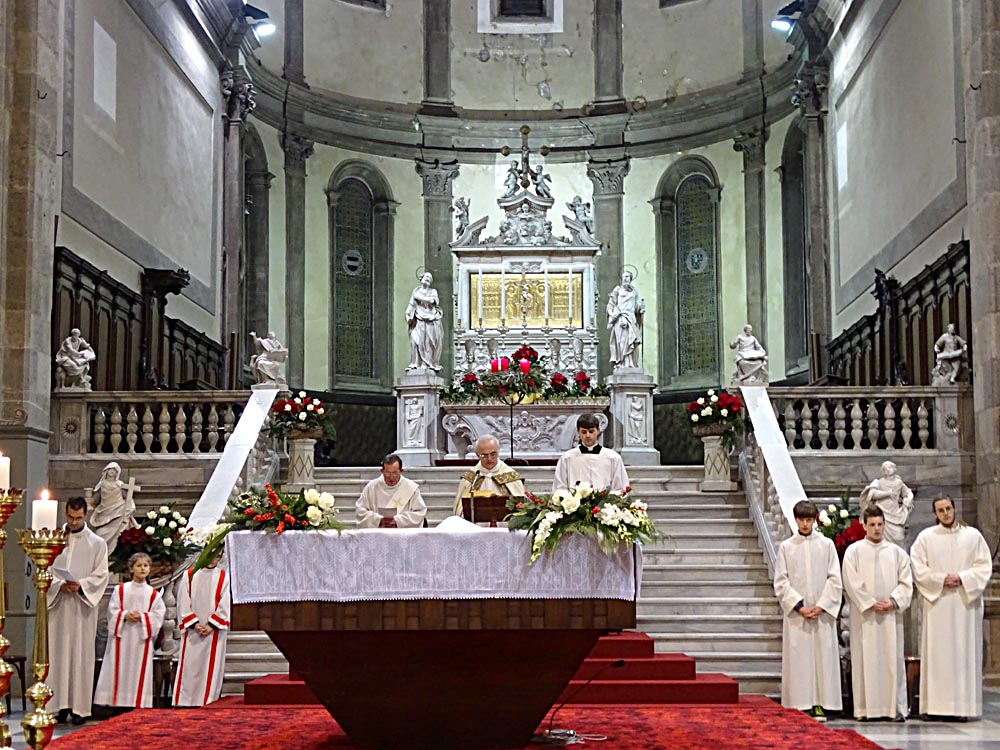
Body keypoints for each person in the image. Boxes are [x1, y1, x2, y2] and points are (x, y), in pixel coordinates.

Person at [910, 495, 992, 719]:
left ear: (954, 509)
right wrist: (940, 579)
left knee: (963, 654)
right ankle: (935, 708)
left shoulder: (972, 536)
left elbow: (984, 566)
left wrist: (963, 578)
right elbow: (918, 567)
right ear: (935, 514)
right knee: (938, 655)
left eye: (948, 508)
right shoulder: (926, 538)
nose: (945, 513)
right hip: (938, 605)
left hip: (964, 605)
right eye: (940, 510)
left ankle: (963, 708)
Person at [841, 507, 913, 721]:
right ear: (864, 525)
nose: (876, 528)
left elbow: (906, 582)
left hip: (891, 617)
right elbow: (851, 581)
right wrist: (869, 602)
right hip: (865, 618)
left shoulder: (897, 553)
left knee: (892, 661)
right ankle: (865, 709)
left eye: (880, 524)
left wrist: (893, 601)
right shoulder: (854, 552)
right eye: (872, 524)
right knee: (866, 661)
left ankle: (894, 709)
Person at [773, 500, 842, 720]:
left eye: (809, 519)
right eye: (802, 519)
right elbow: (781, 582)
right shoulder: (787, 547)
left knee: (823, 658)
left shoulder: (826, 545)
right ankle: (800, 703)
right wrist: (800, 606)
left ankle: (821, 703)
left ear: (814, 520)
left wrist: (821, 605)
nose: (805, 524)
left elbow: (835, 579)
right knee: (799, 659)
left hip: (821, 612)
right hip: (798, 615)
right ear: (795, 520)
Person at [48, 497, 110, 725]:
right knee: (57, 654)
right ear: (65, 513)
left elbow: (101, 575)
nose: (74, 522)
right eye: (70, 517)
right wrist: (58, 585)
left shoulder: (97, 543)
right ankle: (57, 706)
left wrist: (81, 585)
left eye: (79, 518)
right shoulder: (53, 539)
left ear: (86, 515)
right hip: (58, 606)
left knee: (80, 656)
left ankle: (79, 709)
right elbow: (43, 568)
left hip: (82, 608)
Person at [93, 552, 166, 711]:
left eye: (146, 565)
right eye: (139, 565)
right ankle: (117, 705)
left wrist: (142, 617)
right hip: (122, 637)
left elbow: (158, 614)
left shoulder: (153, 594)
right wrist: (125, 615)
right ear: (131, 569)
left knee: (138, 671)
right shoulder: (120, 590)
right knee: (119, 668)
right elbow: (112, 611)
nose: (143, 569)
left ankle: (136, 704)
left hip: (141, 639)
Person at [173, 552, 231, 706]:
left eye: (217, 557)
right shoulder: (189, 575)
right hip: (193, 630)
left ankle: (209, 700)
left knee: (210, 669)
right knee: (190, 666)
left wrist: (211, 625)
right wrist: (193, 623)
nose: (213, 560)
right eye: (211, 555)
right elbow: (183, 600)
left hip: (213, 631)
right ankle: (186, 700)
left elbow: (225, 602)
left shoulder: (224, 577)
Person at [552, 414, 629, 494]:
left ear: (598, 431)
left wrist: (606, 498)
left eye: (591, 431)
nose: (588, 435)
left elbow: (620, 488)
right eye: (584, 432)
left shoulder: (613, 457)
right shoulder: (567, 458)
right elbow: (560, 488)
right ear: (578, 432)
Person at [453, 435, 525, 516]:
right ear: (477, 455)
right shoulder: (471, 477)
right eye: (484, 455)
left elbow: (520, 508)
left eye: (493, 454)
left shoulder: (510, 475)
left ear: (498, 451)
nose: (489, 459)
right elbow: (460, 509)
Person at [357, 454, 428, 529]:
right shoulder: (371, 487)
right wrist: (378, 520)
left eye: (395, 473)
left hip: (402, 534)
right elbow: (360, 512)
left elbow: (420, 513)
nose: (391, 477)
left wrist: (398, 521)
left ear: (401, 471)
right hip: (379, 532)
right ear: (382, 471)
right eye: (387, 473)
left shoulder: (410, 488)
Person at [88, 461, 139, 554]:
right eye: (111, 469)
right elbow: (96, 498)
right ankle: (102, 553)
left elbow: (126, 497)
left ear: (117, 473)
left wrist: (130, 506)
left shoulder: (119, 484)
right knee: (100, 533)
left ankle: (112, 553)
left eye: (115, 470)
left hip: (119, 511)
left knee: (117, 534)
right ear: (106, 470)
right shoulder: (101, 484)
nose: (112, 471)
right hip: (104, 511)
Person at [859, 461, 914, 547]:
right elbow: (873, 495)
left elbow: (908, 492)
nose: (888, 470)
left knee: (899, 536)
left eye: (890, 467)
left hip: (894, 515)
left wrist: (909, 498)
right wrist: (887, 493)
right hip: (881, 514)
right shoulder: (879, 482)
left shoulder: (899, 483)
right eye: (885, 468)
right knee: (880, 538)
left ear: (894, 469)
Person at [405, 272, 443, 371]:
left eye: (430, 278)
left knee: (428, 342)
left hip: (430, 320)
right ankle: (415, 363)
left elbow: (432, 301)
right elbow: (411, 305)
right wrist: (407, 316)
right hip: (418, 320)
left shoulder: (433, 291)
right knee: (415, 341)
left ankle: (426, 364)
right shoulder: (416, 291)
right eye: (426, 276)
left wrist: (418, 297)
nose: (428, 278)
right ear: (421, 278)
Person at [607, 271, 645, 370]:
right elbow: (611, 305)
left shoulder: (634, 291)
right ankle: (621, 362)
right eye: (624, 277)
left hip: (631, 318)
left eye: (627, 277)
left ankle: (631, 363)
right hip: (620, 318)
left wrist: (641, 308)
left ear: (631, 279)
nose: (625, 278)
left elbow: (636, 306)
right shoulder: (617, 290)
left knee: (631, 340)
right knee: (622, 341)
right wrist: (612, 314)